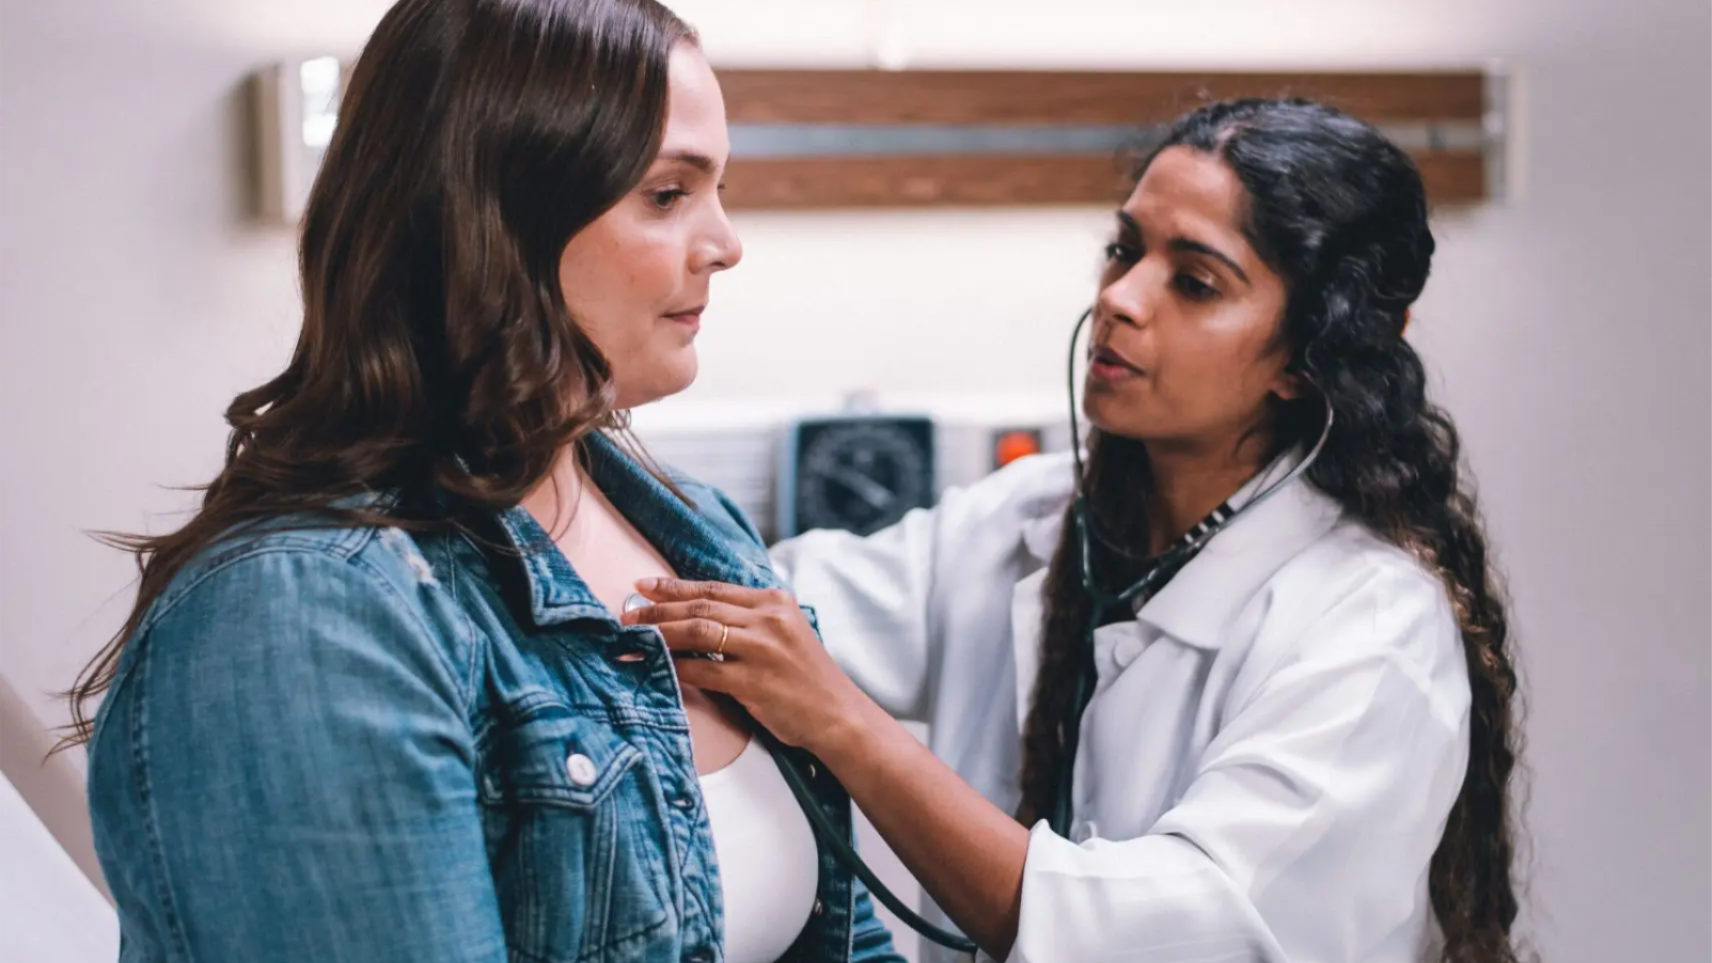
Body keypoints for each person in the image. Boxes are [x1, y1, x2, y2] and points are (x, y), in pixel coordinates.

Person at [69, 2, 903, 961]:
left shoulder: (698, 531)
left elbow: (847, 941)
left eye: (717, 188)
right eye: (668, 194)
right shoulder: (305, 610)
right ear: (496, 220)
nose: (725, 242)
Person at [625, 99, 1525, 963]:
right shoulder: (1028, 520)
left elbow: (1152, 938)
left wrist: (845, 724)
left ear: (1308, 356)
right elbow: (765, 599)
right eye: (1124, 249)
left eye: (1196, 281)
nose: (1123, 297)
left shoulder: (1370, 632)